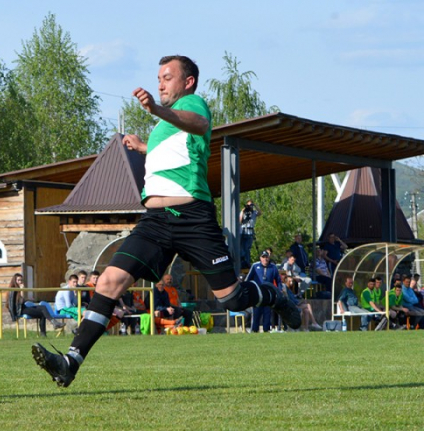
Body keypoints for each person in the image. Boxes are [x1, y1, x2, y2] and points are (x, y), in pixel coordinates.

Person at [31, 55, 300, 388]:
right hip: (156, 221)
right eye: (158, 77)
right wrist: (142, 146)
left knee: (230, 299)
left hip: (193, 218)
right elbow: (172, 152)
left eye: (167, 77)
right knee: (108, 282)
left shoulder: (194, 105)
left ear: (187, 82)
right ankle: (70, 362)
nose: (160, 83)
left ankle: (277, 297)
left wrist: (156, 110)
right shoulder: (162, 128)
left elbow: (198, 126)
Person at [246, 250, 282, 333]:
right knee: (256, 312)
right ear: (260, 258)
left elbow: (278, 280)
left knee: (267, 312)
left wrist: (279, 290)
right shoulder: (255, 266)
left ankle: (266, 329)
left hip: (268, 294)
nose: (265, 259)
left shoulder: (273, 267)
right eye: (263, 257)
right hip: (258, 294)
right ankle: (254, 329)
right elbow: (248, 279)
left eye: (266, 257)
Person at [239, 200, 261, 269]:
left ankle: (247, 263)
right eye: (248, 205)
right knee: (241, 248)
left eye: (251, 205)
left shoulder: (254, 212)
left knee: (247, 248)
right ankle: (242, 262)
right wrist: (243, 210)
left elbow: (260, 213)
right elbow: (240, 221)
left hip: (250, 232)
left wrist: (255, 205)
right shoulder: (244, 212)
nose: (250, 206)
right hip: (243, 231)